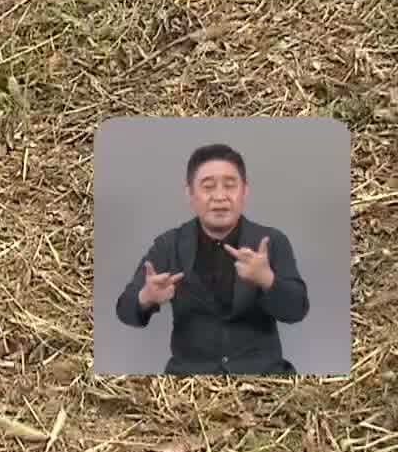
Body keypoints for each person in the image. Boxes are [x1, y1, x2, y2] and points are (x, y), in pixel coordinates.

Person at [114, 143, 310, 375]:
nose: (219, 196)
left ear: (245, 191)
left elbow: (297, 310)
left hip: (263, 376)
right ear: (190, 194)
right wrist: (145, 297)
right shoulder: (169, 245)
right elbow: (124, 310)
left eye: (230, 185)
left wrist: (266, 280)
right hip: (189, 380)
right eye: (208, 187)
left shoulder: (271, 241)